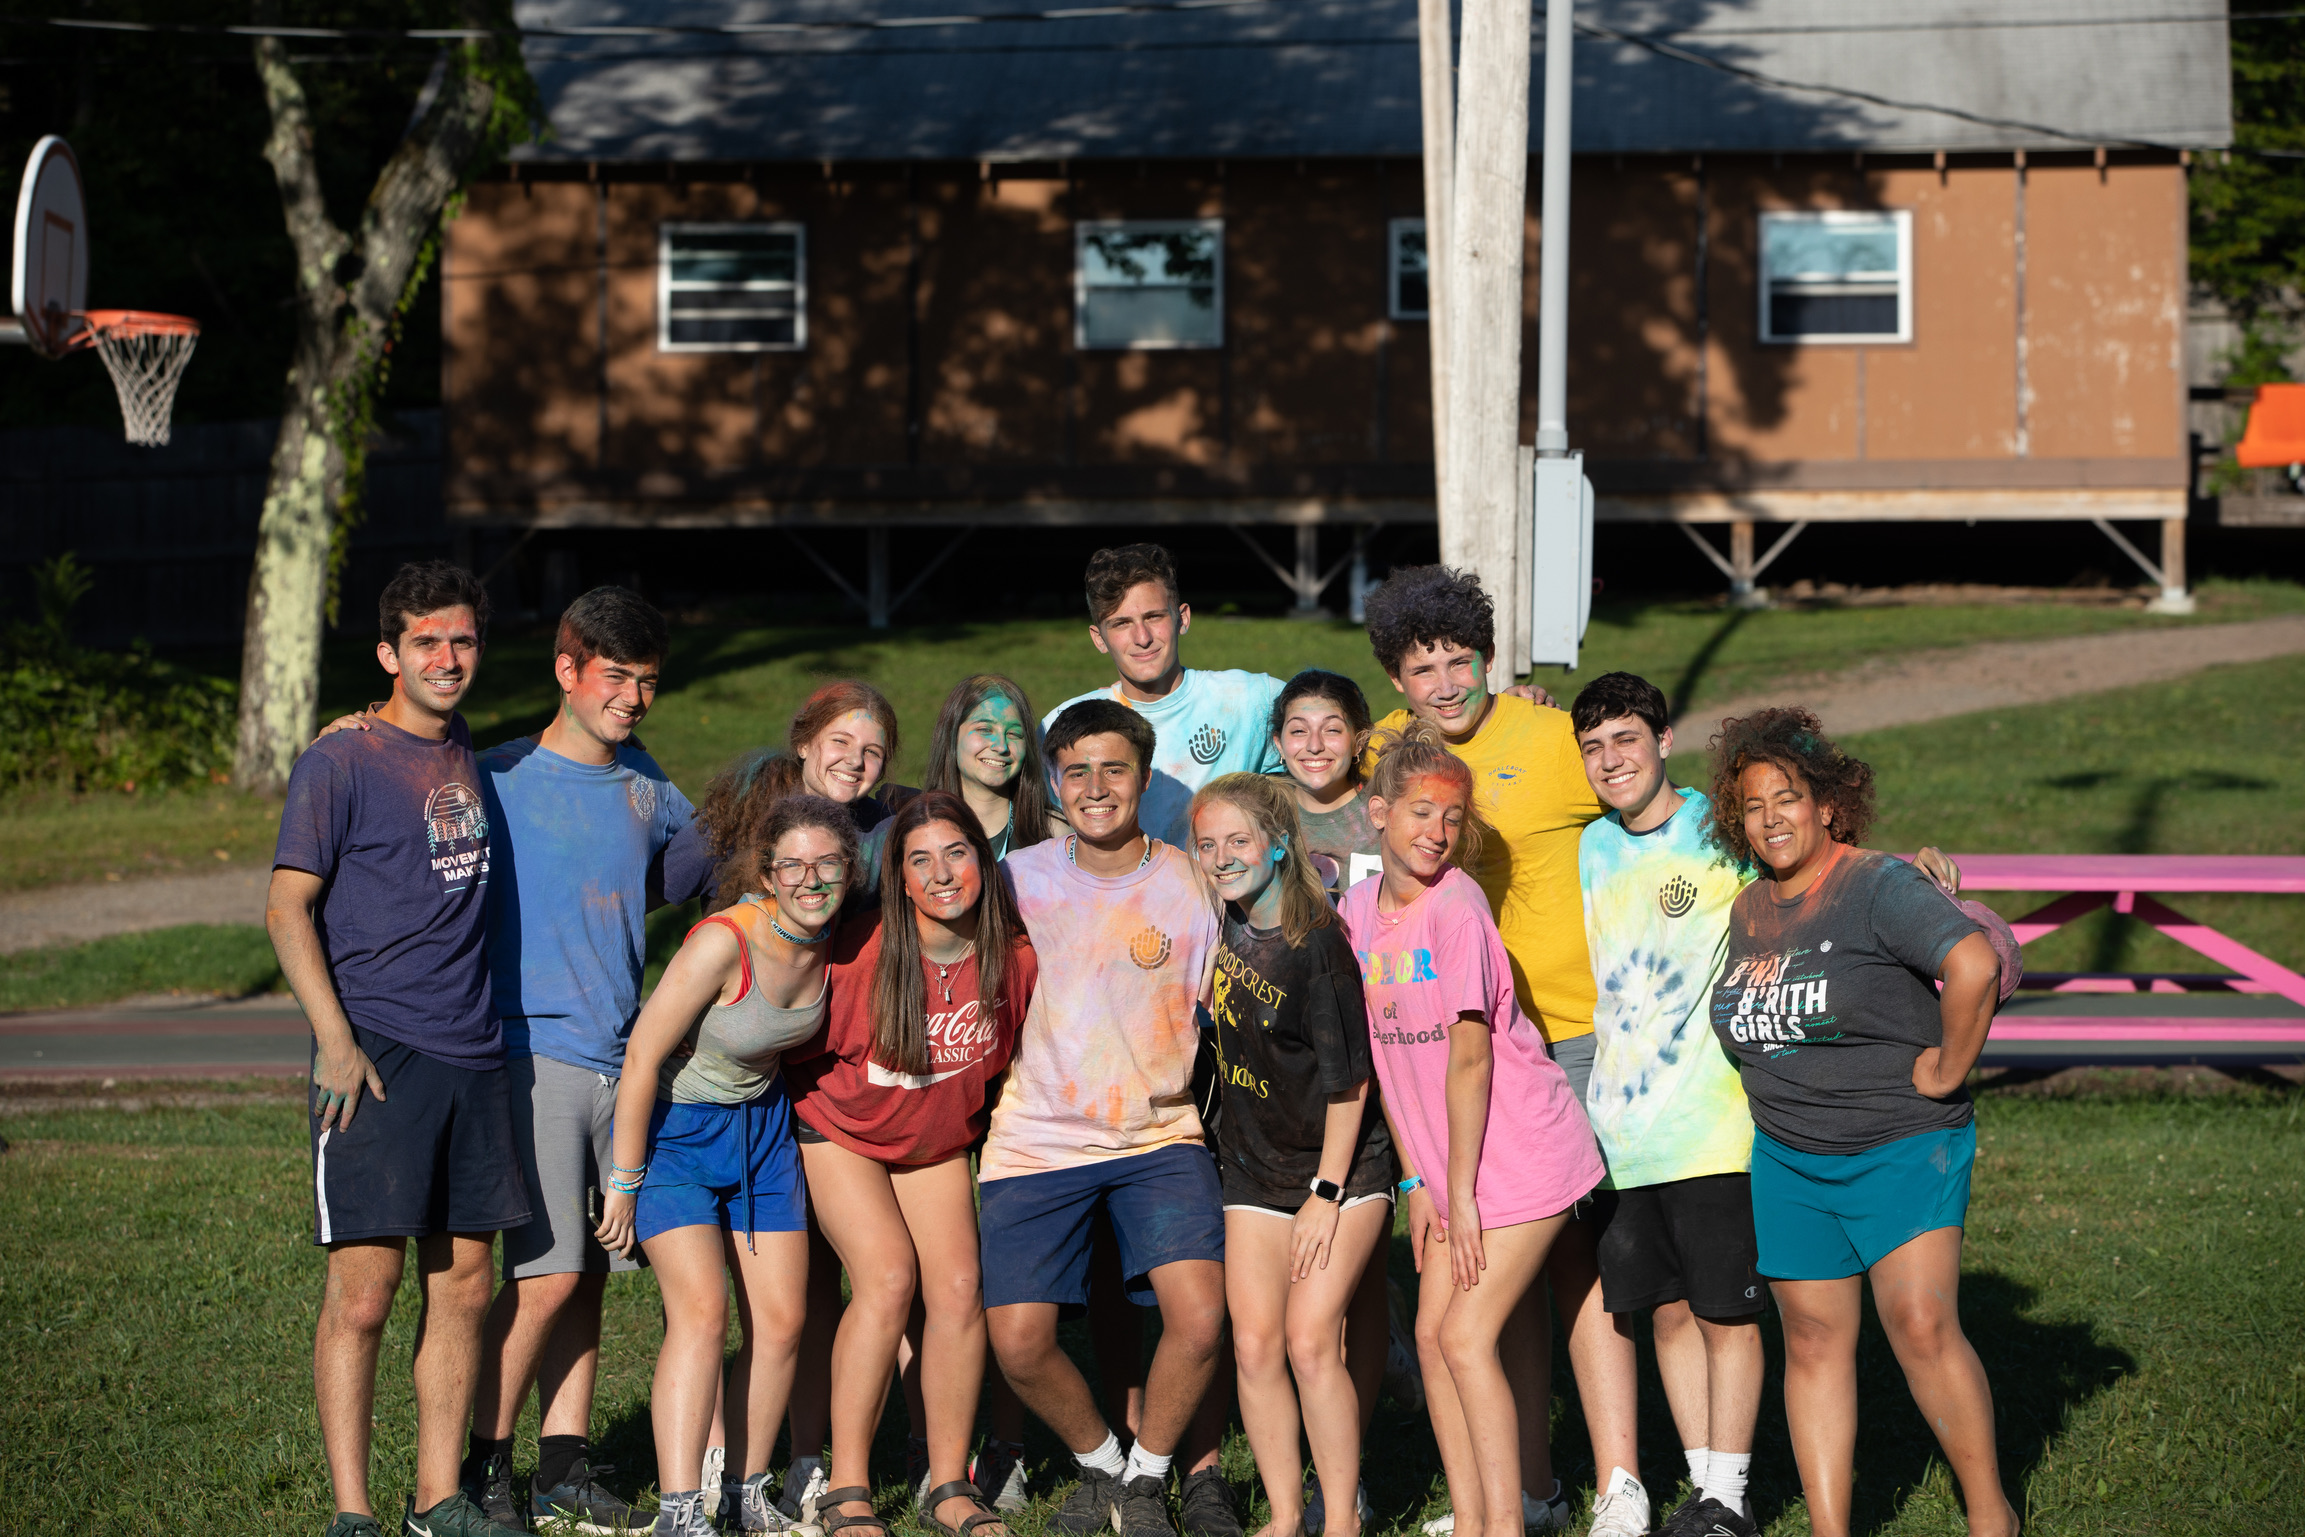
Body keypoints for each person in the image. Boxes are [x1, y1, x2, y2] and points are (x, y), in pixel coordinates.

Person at [1572, 675, 1970, 1537]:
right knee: (1670, 1310)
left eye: (1627, 739)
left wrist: (1912, 868)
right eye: (1593, 747)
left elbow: (1822, 862)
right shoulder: (1590, 848)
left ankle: (1734, 1493)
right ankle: (1705, 1489)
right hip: (1633, 1129)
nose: (1611, 760)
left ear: (1664, 739)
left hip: (1722, 1122)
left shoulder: (1717, 835)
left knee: (1738, 1312)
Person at [1361, 567, 1638, 1533]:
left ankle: (1619, 1484)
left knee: (1587, 1266)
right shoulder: (1390, 753)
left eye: (1458, 658)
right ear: (1397, 680)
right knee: (1493, 1294)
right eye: (1420, 665)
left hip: (1573, 1034)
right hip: (1458, 1057)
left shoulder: (1551, 736)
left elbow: (1650, 805)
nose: (1443, 681)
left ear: (1489, 655)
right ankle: (1527, 1490)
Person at [1704, 709, 2014, 1537]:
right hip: (1790, 1157)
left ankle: (1991, 1518)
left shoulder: (1875, 882)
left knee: (1919, 1324)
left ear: (1828, 805)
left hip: (1900, 1145)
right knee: (1809, 1342)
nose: (1771, 817)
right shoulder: (1747, 911)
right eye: (1752, 805)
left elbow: (1973, 961)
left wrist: (1947, 1068)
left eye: (1788, 797)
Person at [268, 560, 527, 1537]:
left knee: (463, 1283)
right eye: (426, 642)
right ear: (389, 654)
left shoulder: (466, 750)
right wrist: (333, 1039)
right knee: (365, 1292)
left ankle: (437, 1500)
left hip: (474, 1054)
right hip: (374, 1052)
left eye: (461, 640)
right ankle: (351, 1512)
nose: (447, 658)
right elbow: (286, 905)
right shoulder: (338, 761)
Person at [459, 588, 700, 1532]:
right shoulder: (498, 776)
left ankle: (564, 1464)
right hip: (534, 1050)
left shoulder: (645, 783)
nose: (634, 698)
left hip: (620, 1053)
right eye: (617, 677)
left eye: (648, 682)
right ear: (567, 670)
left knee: (592, 1275)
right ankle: (482, 1467)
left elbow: (706, 852)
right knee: (548, 1275)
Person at [1340, 723, 1605, 1537]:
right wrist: (1419, 1182)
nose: (1437, 833)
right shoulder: (1356, 910)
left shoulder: (1456, 904)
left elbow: (1468, 1061)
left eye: (1453, 819)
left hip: (1521, 1148)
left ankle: (1503, 1525)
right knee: (1428, 1335)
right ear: (1376, 812)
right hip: (1452, 1164)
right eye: (1421, 812)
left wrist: (1458, 1194)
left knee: (1461, 1334)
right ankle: (1478, 1519)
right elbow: (1384, 1061)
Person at [978, 698, 1229, 1537]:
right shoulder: (1017, 879)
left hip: (1159, 1134)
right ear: (1052, 780)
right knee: (1017, 1341)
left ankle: (1147, 1480)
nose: (1094, 786)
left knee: (1197, 1317)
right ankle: (1101, 1463)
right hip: (1037, 1136)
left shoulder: (1191, 882)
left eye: (1113, 768)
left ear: (1143, 778)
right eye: (1075, 769)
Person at [596, 797, 856, 1537]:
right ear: (766, 874)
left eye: (827, 863)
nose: (811, 879)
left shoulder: (840, 934)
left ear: (847, 868)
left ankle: (745, 1492)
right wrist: (624, 1178)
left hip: (764, 1132)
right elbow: (644, 1054)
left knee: (781, 1321)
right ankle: (681, 1510)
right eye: (793, 865)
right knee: (702, 1313)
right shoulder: (722, 941)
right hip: (677, 1133)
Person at [784, 791, 1039, 1537]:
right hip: (843, 1129)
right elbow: (792, 1048)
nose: (940, 873)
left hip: (933, 1139)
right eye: (918, 859)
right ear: (895, 877)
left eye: (956, 853)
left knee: (960, 1287)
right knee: (889, 1276)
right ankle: (849, 1487)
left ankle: (948, 1481)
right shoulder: (861, 954)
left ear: (983, 863)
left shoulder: (1012, 958)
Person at [1188, 774, 1394, 1537]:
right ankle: (1281, 1517)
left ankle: (1339, 1518)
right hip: (1251, 1168)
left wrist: (1325, 1193)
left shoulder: (1319, 950)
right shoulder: (1224, 925)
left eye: (1237, 841)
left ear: (1278, 843)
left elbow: (1352, 1088)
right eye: (1207, 845)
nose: (1221, 857)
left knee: (1310, 1342)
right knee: (1254, 1344)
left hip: (1340, 1167)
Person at [1041, 543, 1287, 848]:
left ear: (1182, 618)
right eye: (1121, 624)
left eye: (1154, 617)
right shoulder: (1063, 725)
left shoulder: (1250, 699)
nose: (1142, 638)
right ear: (1099, 639)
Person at [920, 674, 1061, 859]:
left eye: (1014, 734)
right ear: (951, 735)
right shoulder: (916, 828)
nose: (1001, 746)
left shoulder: (1054, 833)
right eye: (985, 730)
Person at [1269, 670, 1382, 898]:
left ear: (1358, 741)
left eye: (1331, 730)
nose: (1314, 746)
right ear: (1279, 743)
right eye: (1299, 730)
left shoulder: (1390, 817)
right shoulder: (1259, 814)